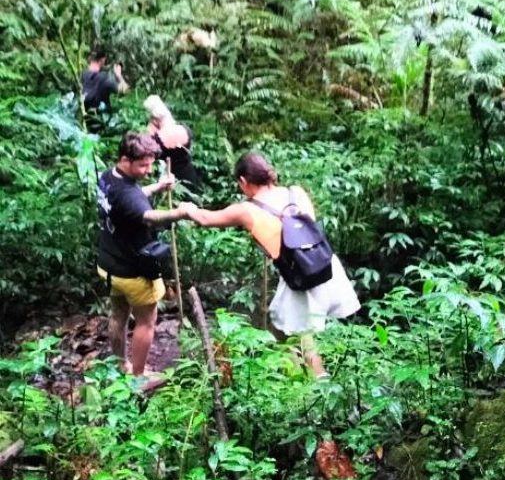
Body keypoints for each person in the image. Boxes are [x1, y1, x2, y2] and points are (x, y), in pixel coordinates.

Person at [189, 152, 360, 377]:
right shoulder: (296, 192)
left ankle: (319, 383)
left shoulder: (247, 210)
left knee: (301, 334)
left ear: (243, 181)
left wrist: (185, 209)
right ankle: (296, 379)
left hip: (299, 276)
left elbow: (205, 219)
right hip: (323, 264)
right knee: (283, 325)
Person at [97, 131, 198, 375]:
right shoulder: (129, 195)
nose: (148, 170)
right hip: (134, 273)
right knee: (146, 322)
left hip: (109, 265)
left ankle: (121, 364)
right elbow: (149, 216)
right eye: (143, 165)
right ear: (125, 159)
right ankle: (138, 376)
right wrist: (181, 213)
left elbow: (130, 200)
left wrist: (157, 187)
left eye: (151, 164)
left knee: (118, 314)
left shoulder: (108, 177)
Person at [144, 95, 199, 191]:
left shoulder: (157, 137)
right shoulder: (183, 129)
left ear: (154, 119)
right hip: (188, 175)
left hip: (168, 181)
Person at [81, 48, 129, 127]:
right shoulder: (104, 78)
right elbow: (124, 90)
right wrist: (118, 75)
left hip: (81, 117)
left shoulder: (81, 75)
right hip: (96, 122)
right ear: (102, 60)